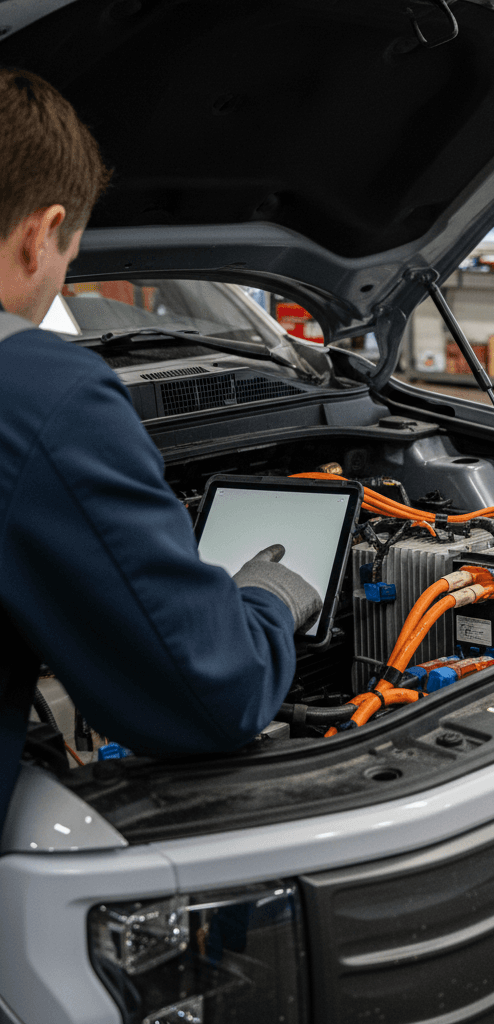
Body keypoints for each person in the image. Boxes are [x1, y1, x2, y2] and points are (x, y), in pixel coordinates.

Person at [0, 68, 321, 829]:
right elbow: (211, 697)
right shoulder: (38, 392)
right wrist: (269, 602)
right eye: (70, 257)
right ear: (42, 233)